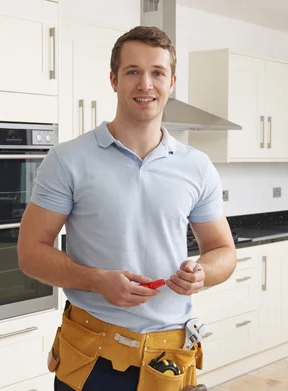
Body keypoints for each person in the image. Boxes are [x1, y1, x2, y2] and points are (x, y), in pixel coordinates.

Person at [17, 25, 237, 391]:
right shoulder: (68, 160)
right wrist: (98, 281)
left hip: (170, 360)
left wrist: (202, 272)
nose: (145, 84)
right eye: (132, 71)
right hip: (92, 358)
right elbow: (29, 253)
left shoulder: (196, 166)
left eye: (157, 73)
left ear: (172, 81)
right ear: (113, 80)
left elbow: (224, 251)